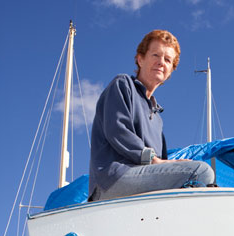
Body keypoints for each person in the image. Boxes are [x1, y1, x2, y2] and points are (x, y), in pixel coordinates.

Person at [89, 30, 214, 201]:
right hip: (113, 179)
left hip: (141, 181)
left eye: (167, 60)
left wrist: (167, 165)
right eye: (156, 55)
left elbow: (161, 163)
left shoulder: (157, 119)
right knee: (201, 172)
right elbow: (117, 130)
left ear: (170, 71)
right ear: (140, 59)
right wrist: (153, 160)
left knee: (210, 185)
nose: (161, 62)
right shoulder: (123, 85)